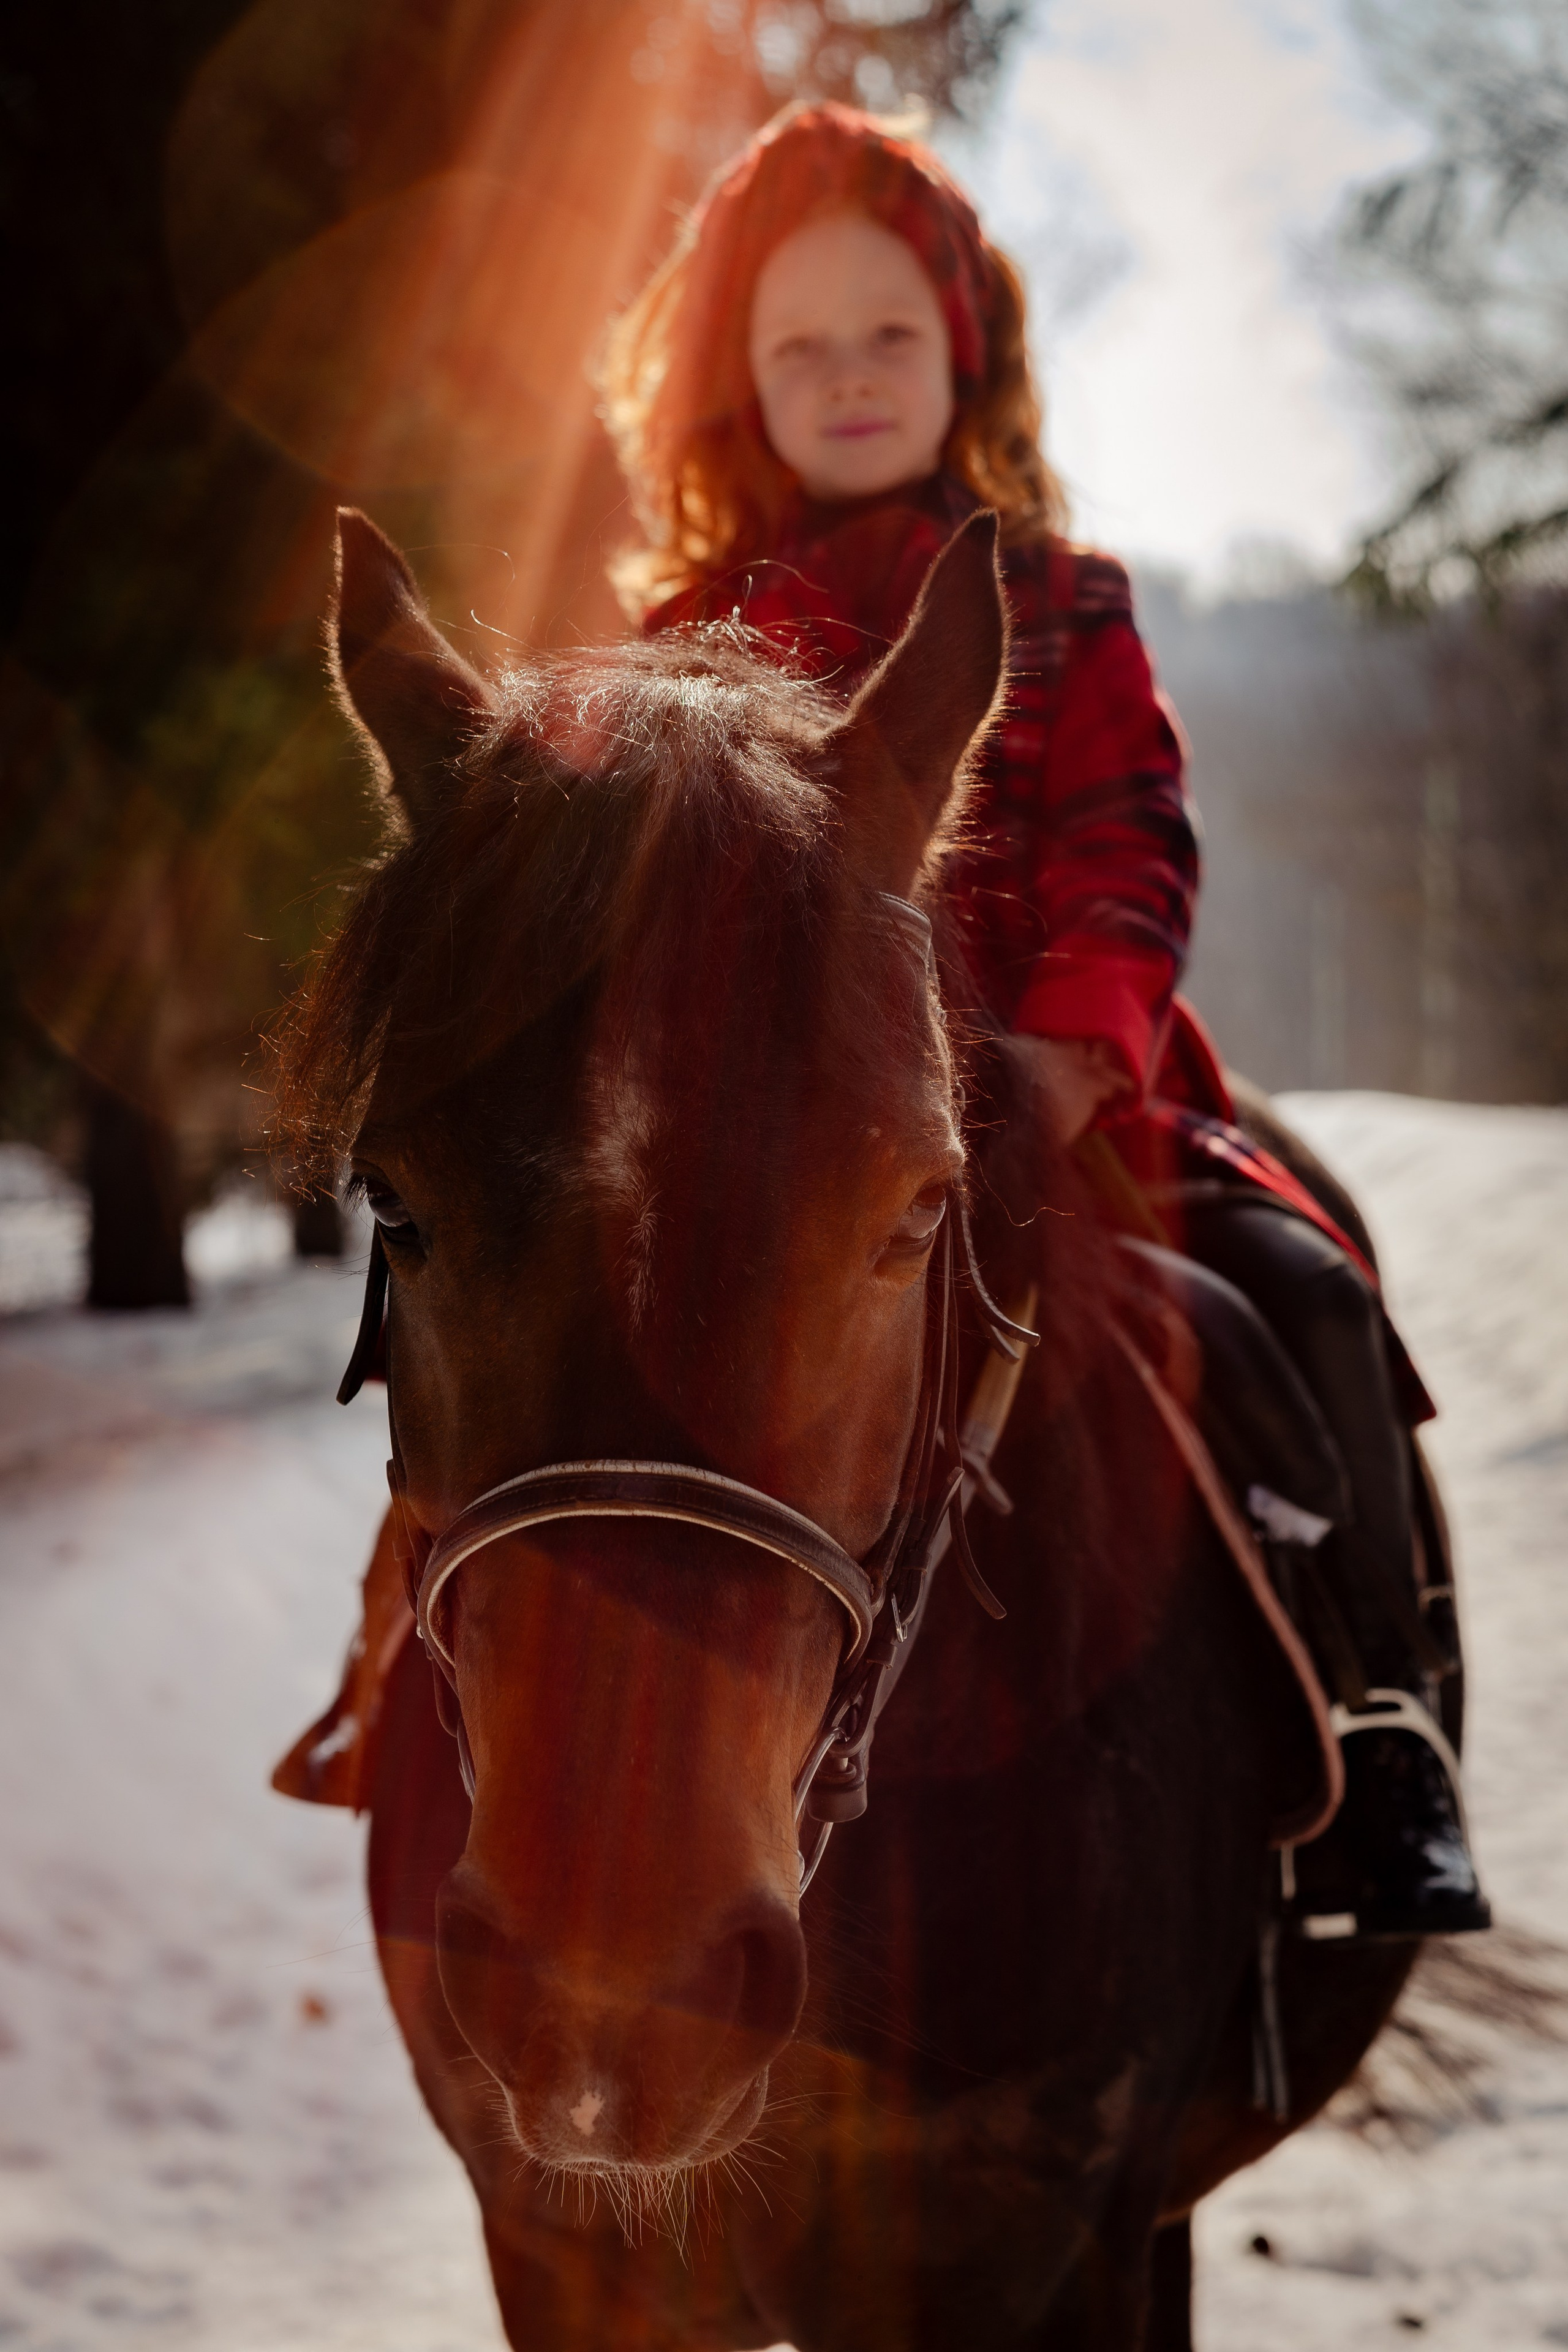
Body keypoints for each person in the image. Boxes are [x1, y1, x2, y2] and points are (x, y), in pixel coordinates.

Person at [597, 100, 1488, 1941]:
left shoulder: (1064, 605)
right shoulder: (687, 644)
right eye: (800, 346)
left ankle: (1377, 1719)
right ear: (736, 384)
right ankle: (436, 1683)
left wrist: (1074, 1045)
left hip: (1060, 1116)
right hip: (776, 1152)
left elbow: (1129, 838)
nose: (850, 375)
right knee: (543, 1350)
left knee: (1300, 1294)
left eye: (888, 334)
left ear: (966, 353)